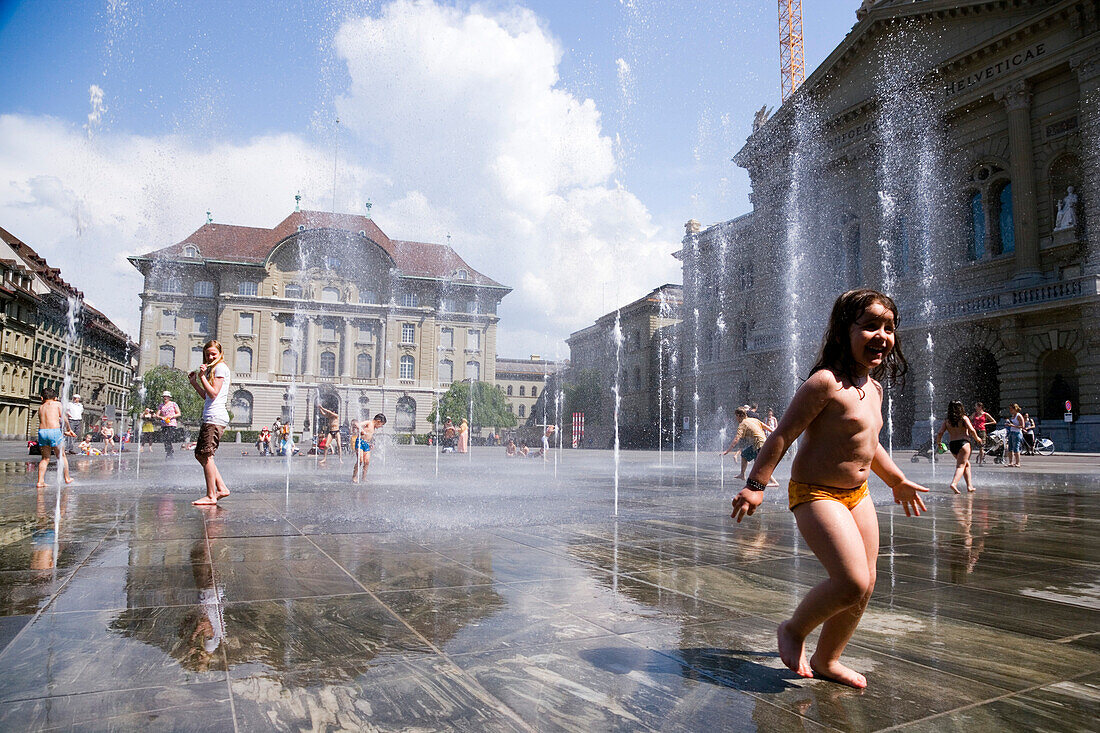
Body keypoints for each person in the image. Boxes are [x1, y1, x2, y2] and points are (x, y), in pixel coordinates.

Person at [731, 289, 929, 689]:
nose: (882, 335)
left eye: (889, 328)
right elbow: (782, 435)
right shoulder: (825, 383)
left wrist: (897, 480)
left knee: (866, 583)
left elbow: (870, 443)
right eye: (870, 325)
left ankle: (827, 659)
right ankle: (793, 628)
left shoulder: (873, 388)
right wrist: (756, 485)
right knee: (851, 581)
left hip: (858, 495)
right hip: (816, 493)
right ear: (844, 331)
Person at [188, 340, 231, 506]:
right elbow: (206, 397)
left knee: (206, 455)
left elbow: (213, 393)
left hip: (215, 417)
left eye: (213, 353)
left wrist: (201, 377)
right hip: (211, 416)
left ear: (220, 353)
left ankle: (211, 495)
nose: (210, 357)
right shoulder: (214, 369)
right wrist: (195, 383)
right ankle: (221, 488)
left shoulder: (220, 368)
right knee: (201, 454)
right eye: (207, 354)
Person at [721, 407, 778, 485]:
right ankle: (742, 474)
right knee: (744, 454)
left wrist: (727, 451)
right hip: (759, 443)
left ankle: (774, 482)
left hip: (760, 444)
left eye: (736, 416)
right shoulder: (754, 420)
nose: (736, 419)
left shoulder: (742, 424)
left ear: (738, 415)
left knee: (759, 464)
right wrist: (775, 433)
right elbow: (767, 427)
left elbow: (736, 439)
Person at [934, 400, 981, 493]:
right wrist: (977, 438)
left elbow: (940, 432)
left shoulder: (947, 421)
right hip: (963, 443)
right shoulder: (964, 418)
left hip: (953, 445)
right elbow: (971, 430)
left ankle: (969, 486)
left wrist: (938, 442)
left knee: (966, 464)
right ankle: (954, 483)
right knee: (960, 466)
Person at [36, 387, 76, 488]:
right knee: (61, 456)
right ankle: (67, 478)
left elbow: (46, 422)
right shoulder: (57, 404)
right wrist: (69, 429)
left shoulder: (40, 408)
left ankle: (40, 481)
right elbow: (63, 418)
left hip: (42, 432)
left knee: (45, 458)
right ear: (55, 398)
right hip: (54, 432)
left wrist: (62, 433)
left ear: (42, 398)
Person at [351, 413, 387, 483]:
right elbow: (356, 424)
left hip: (367, 444)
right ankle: (354, 476)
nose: (380, 427)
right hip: (360, 442)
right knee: (360, 460)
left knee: (367, 462)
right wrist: (362, 430)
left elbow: (370, 435)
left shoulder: (373, 427)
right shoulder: (368, 422)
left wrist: (372, 443)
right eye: (381, 425)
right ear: (378, 421)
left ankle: (364, 478)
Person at [157, 391, 182, 458]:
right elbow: (157, 415)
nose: (165, 398)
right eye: (164, 396)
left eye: (166, 396)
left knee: (169, 438)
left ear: (169, 397)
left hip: (171, 424)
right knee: (165, 439)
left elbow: (179, 413)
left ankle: (170, 451)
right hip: (164, 424)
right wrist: (162, 417)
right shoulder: (161, 405)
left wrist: (172, 416)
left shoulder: (173, 404)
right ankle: (168, 452)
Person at [1004, 403, 1025, 468]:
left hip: (1017, 433)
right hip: (1012, 432)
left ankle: (1017, 463)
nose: (1010, 410)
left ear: (1015, 409)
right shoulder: (1013, 416)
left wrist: (1012, 425)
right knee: (1010, 448)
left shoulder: (1019, 416)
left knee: (1016, 448)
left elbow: (1022, 426)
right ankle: (1010, 462)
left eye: (1011, 409)